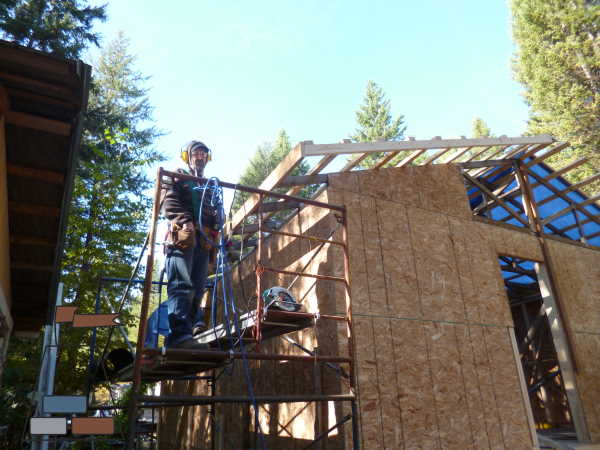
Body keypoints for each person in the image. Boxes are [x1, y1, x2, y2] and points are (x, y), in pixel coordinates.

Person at [161, 140, 218, 349]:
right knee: (181, 286)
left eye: (204, 154)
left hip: (203, 242)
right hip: (184, 239)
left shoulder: (209, 186)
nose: (201, 157)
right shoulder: (177, 175)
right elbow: (169, 203)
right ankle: (178, 335)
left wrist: (218, 235)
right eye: (197, 154)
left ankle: (192, 330)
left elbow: (215, 213)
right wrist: (186, 222)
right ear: (187, 156)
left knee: (198, 286)